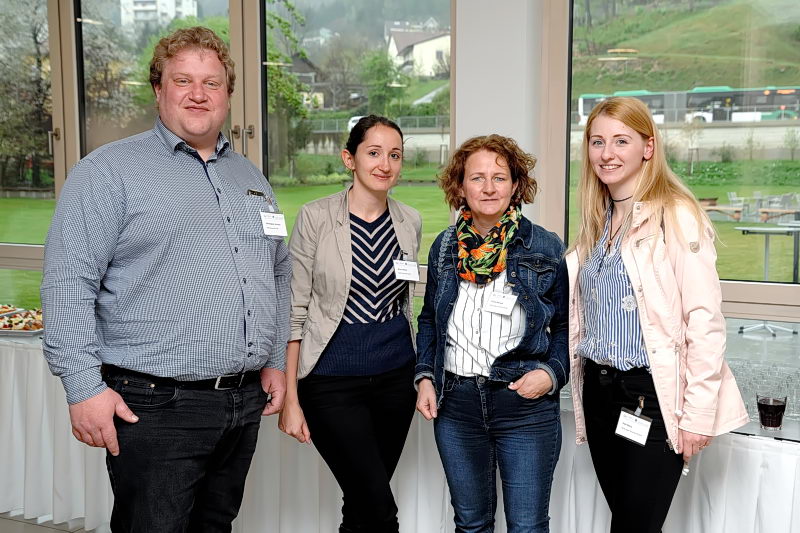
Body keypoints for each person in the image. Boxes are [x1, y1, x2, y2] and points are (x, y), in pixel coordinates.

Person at [41, 27, 290, 532]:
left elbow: (277, 271)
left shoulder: (250, 178)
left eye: (212, 83)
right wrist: (83, 387)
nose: (199, 94)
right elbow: (68, 282)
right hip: (155, 406)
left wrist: (273, 361)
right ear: (158, 89)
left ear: (227, 95)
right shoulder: (107, 172)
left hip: (241, 404)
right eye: (183, 80)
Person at [567, 96, 749, 532]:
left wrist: (698, 415)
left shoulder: (676, 214)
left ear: (648, 147)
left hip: (649, 395)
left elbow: (704, 319)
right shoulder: (598, 220)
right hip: (599, 392)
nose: (606, 153)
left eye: (621, 141)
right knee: (626, 520)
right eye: (597, 141)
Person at [415, 134, 568, 533]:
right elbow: (429, 319)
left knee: (527, 526)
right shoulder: (445, 247)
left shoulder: (545, 246)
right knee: (471, 523)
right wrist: (426, 377)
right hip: (456, 405)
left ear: (516, 185)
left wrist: (551, 374)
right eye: (477, 178)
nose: (488, 188)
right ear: (460, 186)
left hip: (524, 407)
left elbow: (567, 327)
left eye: (499, 178)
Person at [278, 115, 421, 533]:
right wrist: (291, 399)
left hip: (395, 379)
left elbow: (406, 299)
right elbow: (295, 311)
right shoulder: (315, 217)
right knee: (380, 510)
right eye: (373, 153)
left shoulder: (409, 220)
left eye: (394, 155)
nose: (385, 164)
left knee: (361, 504)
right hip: (331, 383)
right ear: (349, 159)